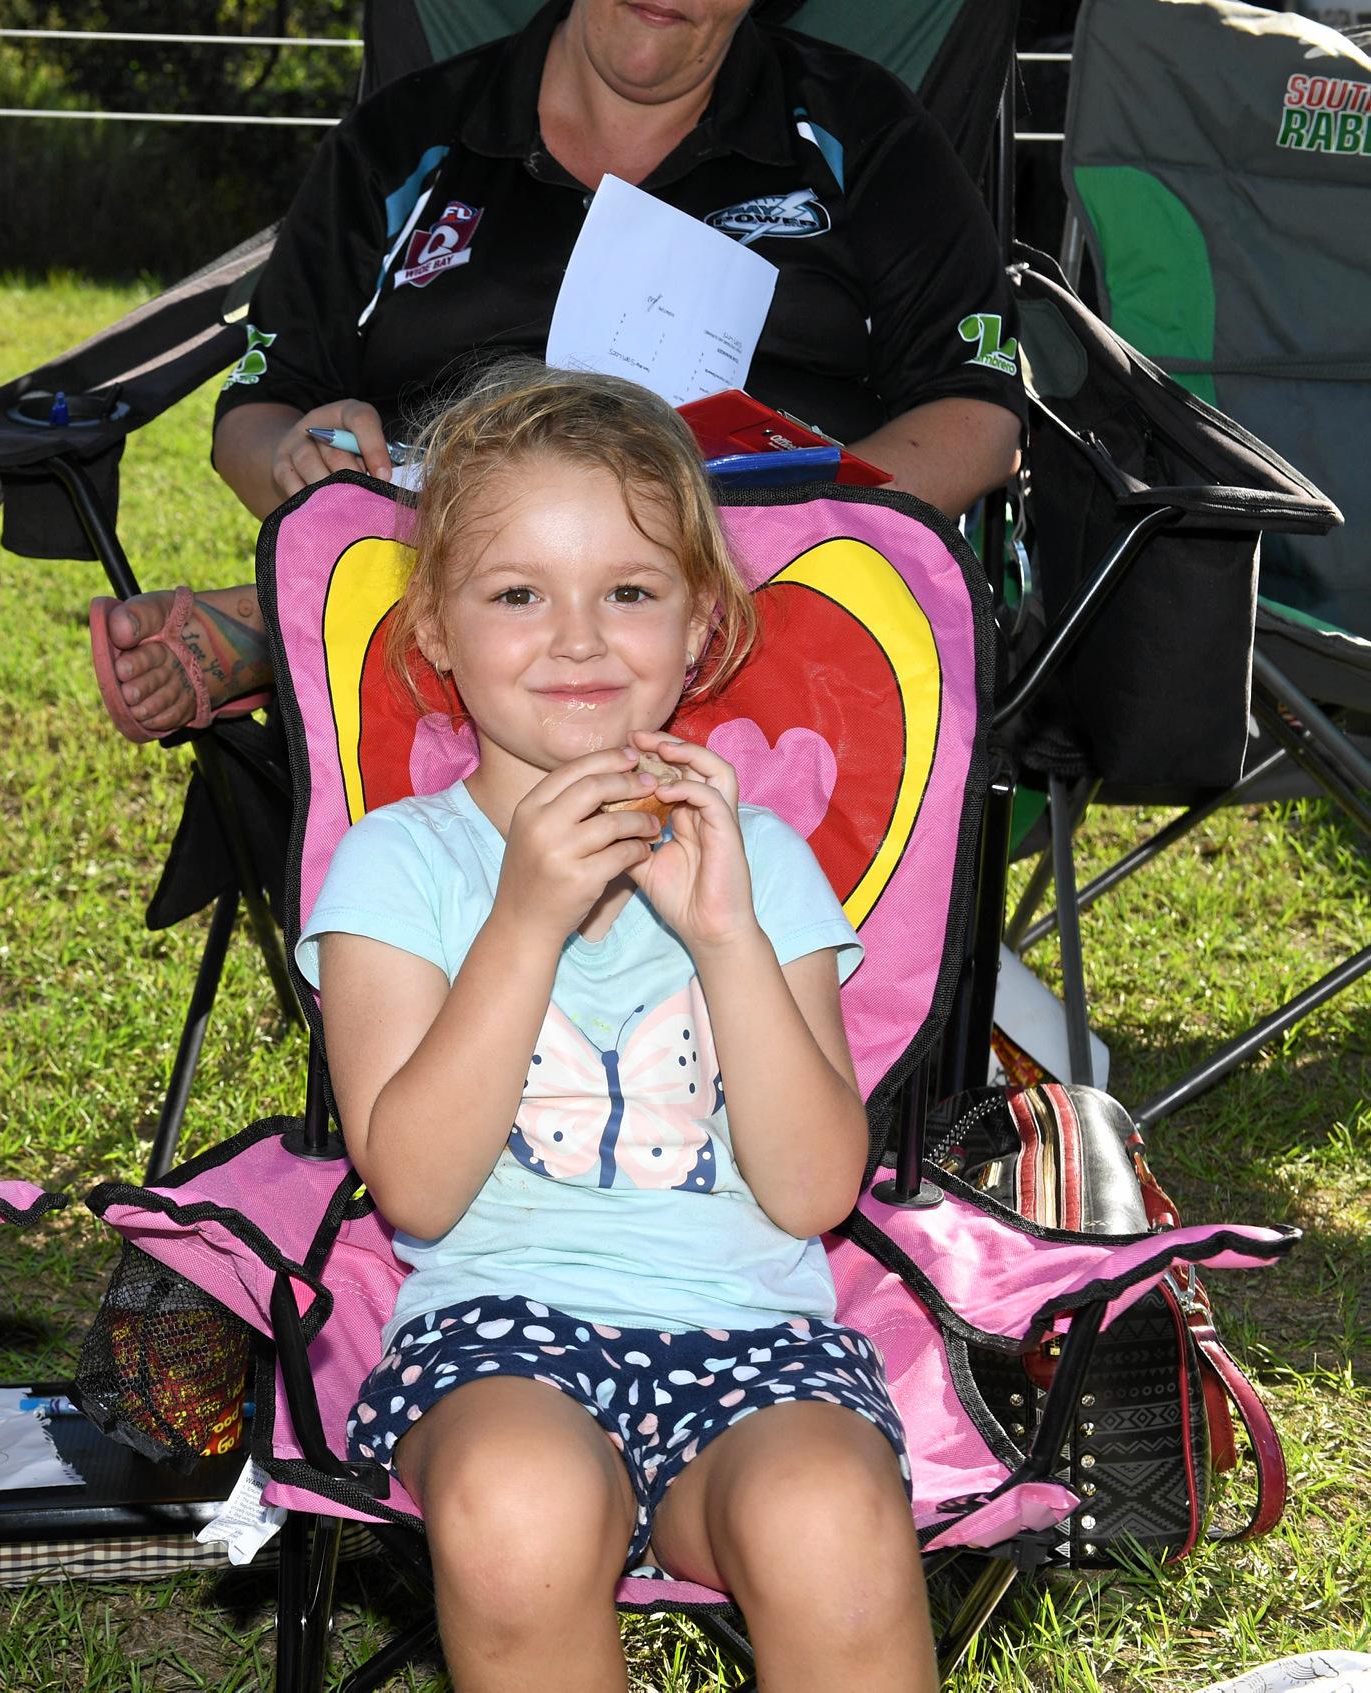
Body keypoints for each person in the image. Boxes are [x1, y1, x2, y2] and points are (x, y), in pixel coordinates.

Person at [303, 364, 930, 1691]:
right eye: (517, 593)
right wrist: (522, 921)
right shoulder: (398, 865)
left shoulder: (752, 859)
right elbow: (409, 1179)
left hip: (754, 1341)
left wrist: (724, 937)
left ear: (699, 627)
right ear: (436, 630)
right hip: (497, 1338)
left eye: (629, 592)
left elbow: (815, 1187)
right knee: (516, 1507)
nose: (578, 639)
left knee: (832, 1517)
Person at [93, 0, 1022, 742]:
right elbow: (257, 416)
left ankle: (289, 624)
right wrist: (303, 462)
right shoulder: (405, 141)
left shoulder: (865, 132)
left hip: (763, 592)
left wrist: (774, 549)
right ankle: (352, 599)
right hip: (451, 572)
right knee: (488, 585)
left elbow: (978, 418)